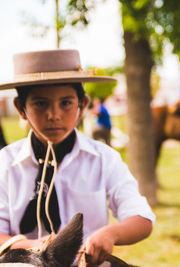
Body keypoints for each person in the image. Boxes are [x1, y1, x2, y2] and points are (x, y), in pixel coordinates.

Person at [0, 49, 155, 266]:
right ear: (21, 108)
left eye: (65, 103)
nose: (54, 115)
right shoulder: (5, 163)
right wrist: (36, 246)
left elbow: (142, 219)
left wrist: (110, 234)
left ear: (82, 105)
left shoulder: (104, 158)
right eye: (40, 104)